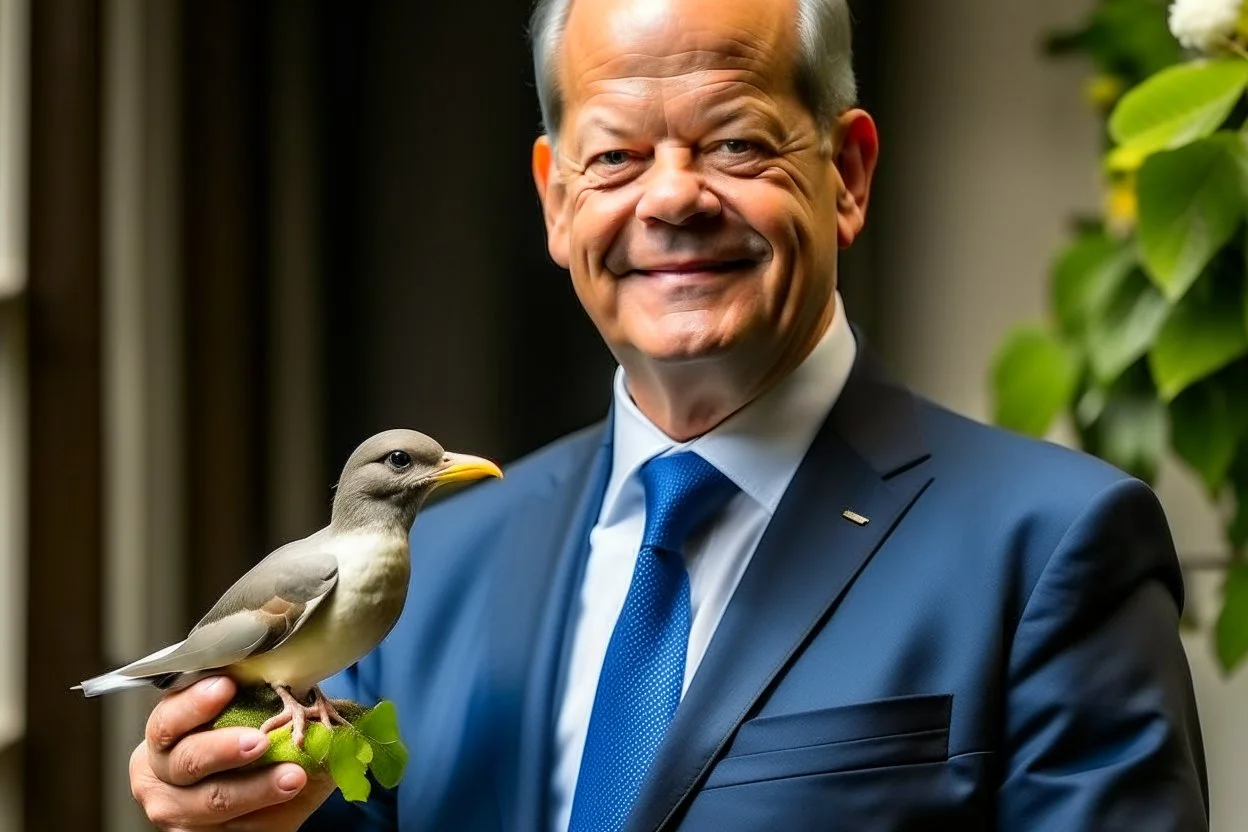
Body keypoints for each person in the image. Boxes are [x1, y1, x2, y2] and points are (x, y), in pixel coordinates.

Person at [127, 0, 1210, 828]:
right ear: (557, 201)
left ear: (848, 173)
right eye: (616, 156)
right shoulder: (434, 569)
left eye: (737, 143)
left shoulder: (1054, 548)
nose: (672, 197)